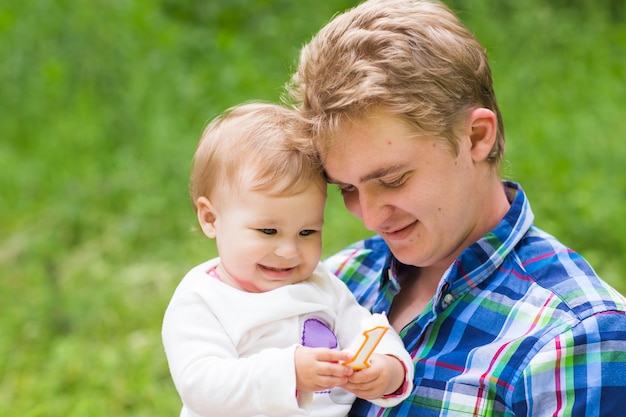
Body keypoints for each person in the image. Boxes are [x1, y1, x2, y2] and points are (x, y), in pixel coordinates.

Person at [286, 0, 626, 416]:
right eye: (347, 189)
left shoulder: (575, 334)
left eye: (392, 180)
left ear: (477, 137)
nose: (371, 217)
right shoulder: (333, 281)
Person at [162, 102, 414, 417]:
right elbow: (202, 385)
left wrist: (387, 368)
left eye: (307, 232)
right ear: (211, 218)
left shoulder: (323, 286)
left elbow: (367, 330)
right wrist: (288, 372)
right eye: (268, 231)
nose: (289, 252)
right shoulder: (203, 300)